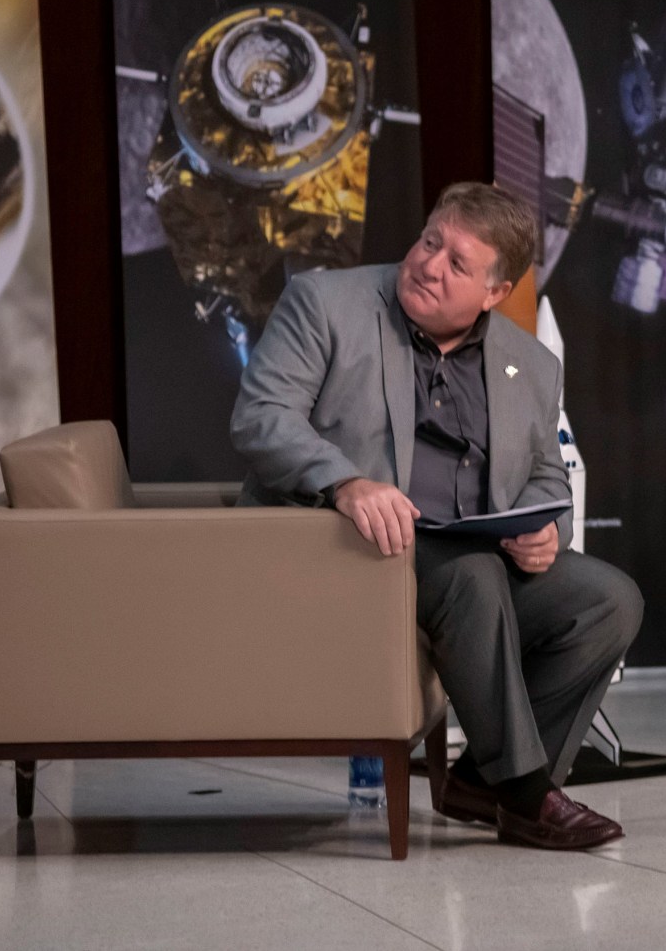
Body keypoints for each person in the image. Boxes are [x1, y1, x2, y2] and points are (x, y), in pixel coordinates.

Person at [231, 181, 644, 849]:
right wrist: (345, 482)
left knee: (609, 599)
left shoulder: (531, 365)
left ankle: (481, 778)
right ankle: (528, 794)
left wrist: (548, 532)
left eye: (458, 263)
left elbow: (545, 473)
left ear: (492, 292)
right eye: (431, 242)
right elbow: (260, 419)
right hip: (348, 550)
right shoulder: (326, 304)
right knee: (472, 576)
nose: (429, 265)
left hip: (468, 558)